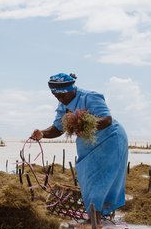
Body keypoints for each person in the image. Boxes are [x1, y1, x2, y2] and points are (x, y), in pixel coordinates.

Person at [31, 72, 128, 220]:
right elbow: (58, 128)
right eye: (56, 96)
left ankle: (95, 222)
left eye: (62, 96)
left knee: (100, 182)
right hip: (89, 144)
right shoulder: (63, 105)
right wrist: (42, 134)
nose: (60, 99)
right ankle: (97, 217)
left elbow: (106, 119)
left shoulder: (89, 97)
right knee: (87, 179)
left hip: (110, 140)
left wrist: (83, 126)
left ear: (71, 90)